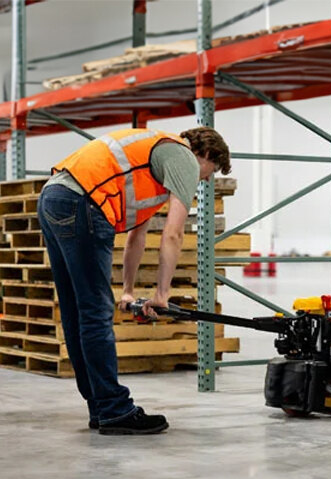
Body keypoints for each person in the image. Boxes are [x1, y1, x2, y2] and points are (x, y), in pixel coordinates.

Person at [37, 126, 231, 435]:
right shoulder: (183, 158)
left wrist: (127, 291)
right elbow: (174, 233)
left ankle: (101, 407)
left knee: (79, 311)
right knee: (95, 313)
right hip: (82, 201)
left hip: (54, 197)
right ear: (205, 154)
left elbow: (136, 237)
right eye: (210, 171)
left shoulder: (150, 164)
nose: (205, 179)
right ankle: (114, 410)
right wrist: (162, 295)